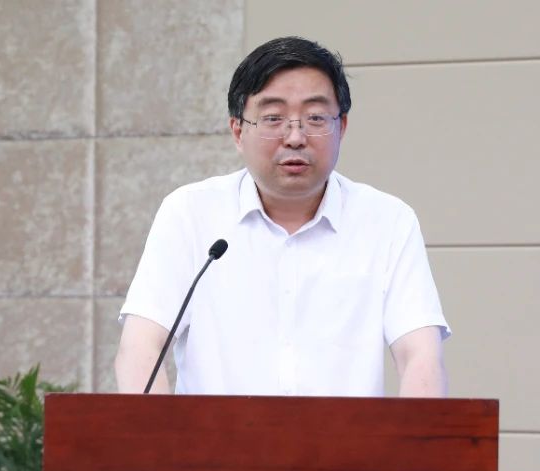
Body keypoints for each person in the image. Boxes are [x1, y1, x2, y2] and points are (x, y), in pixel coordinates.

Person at [114, 36, 449, 397]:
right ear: (238, 131)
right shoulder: (190, 213)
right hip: (212, 436)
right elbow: (141, 348)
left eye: (315, 117)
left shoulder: (388, 221)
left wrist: (418, 434)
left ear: (341, 128)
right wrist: (158, 433)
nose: (295, 137)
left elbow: (420, 356)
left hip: (347, 436)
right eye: (273, 118)